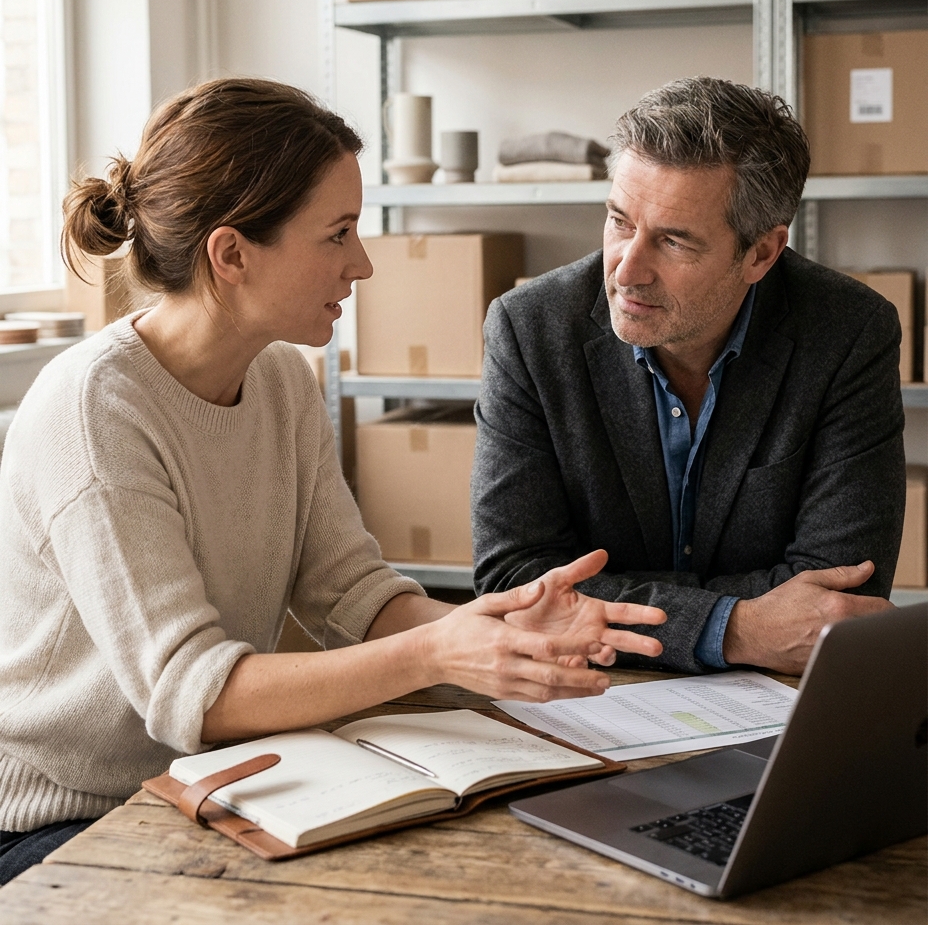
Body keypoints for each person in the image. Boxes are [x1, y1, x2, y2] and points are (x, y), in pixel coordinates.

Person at [0, 78, 666, 885]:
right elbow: (193, 693)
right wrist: (436, 653)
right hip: (61, 819)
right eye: (339, 232)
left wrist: (493, 629)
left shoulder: (280, 379)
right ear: (232, 253)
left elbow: (349, 591)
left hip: (212, 785)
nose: (363, 262)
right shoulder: (95, 409)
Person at [472, 77, 904, 678]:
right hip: (589, 692)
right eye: (620, 221)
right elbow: (514, 583)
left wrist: (610, 599)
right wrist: (734, 627)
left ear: (761, 254)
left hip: (775, 701)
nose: (626, 270)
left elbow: (837, 597)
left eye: (673, 241)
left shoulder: (848, 333)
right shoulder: (529, 329)